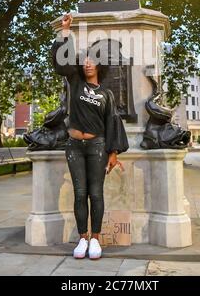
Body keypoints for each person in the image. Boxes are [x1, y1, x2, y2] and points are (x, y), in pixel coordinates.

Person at [51, 13, 129, 259]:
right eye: (84, 60)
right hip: (74, 146)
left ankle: (96, 239)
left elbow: (112, 123)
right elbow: (62, 65)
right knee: (79, 193)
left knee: (96, 193)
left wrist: (113, 153)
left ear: (98, 66)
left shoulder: (106, 94)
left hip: (96, 147)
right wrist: (66, 32)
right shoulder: (74, 82)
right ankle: (82, 240)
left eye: (91, 61)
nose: (87, 63)